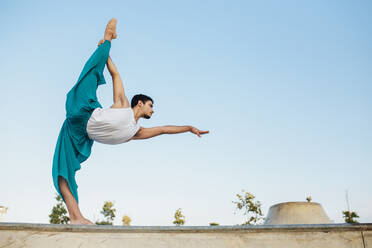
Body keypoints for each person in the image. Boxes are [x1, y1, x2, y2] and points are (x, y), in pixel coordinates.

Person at [52, 18, 209, 225]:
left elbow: (163, 130)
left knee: (63, 170)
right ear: (140, 103)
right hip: (84, 109)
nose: (153, 110)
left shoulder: (136, 132)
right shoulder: (123, 105)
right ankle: (108, 37)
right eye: (151, 105)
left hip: (78, 134)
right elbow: (115, 74)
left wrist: (188, 128)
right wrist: (105, 51)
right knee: (89, 76)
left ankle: (75, 217)